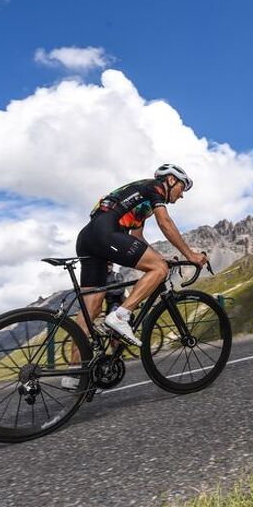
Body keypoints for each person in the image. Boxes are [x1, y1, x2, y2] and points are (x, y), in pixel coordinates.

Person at [63, 164, 207, 387]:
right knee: (158, 269)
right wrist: (190, 254)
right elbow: (165, 223)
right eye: (182, 188)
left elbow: (137, 238)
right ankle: (121, 316)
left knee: (91, 309)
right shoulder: (155, 188)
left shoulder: (140, 202)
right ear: (170, 180)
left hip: (88, 238)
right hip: (105, 233)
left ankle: (74, 374)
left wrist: (160, 258)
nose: (182, 196)